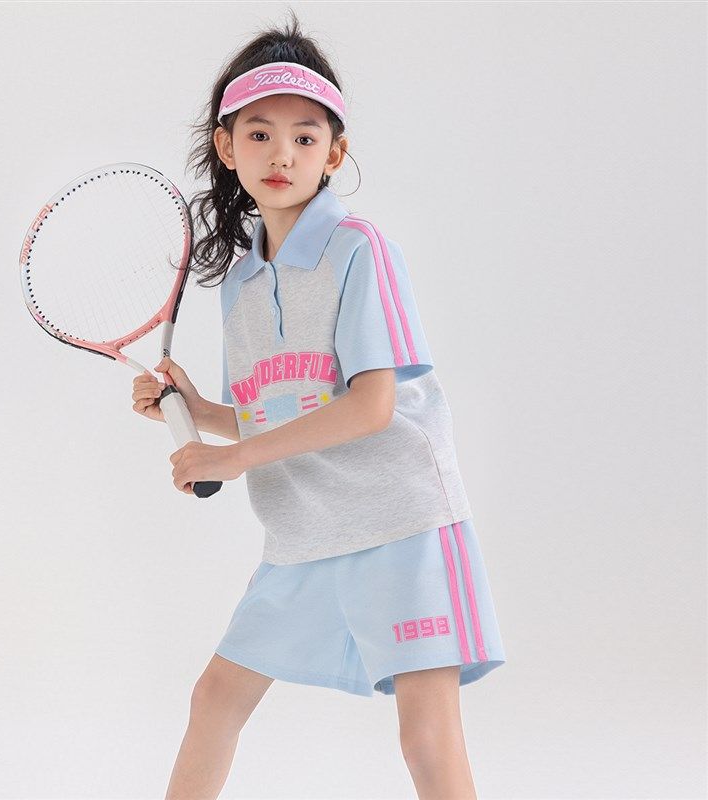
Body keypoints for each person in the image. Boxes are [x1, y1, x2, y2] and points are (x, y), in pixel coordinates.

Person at [131, 12, 506, 800]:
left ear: (335, 153)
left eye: (305, 137)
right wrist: (196, 409)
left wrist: (232, 456)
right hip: (305, 537)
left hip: (404, 529)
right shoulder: (240, 281)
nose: (282, 155)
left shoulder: (360, 250)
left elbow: (370, 407)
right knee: (215, 700)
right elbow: (275, 415)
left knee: (425, 740)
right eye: (260, 134)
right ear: (226, 147)